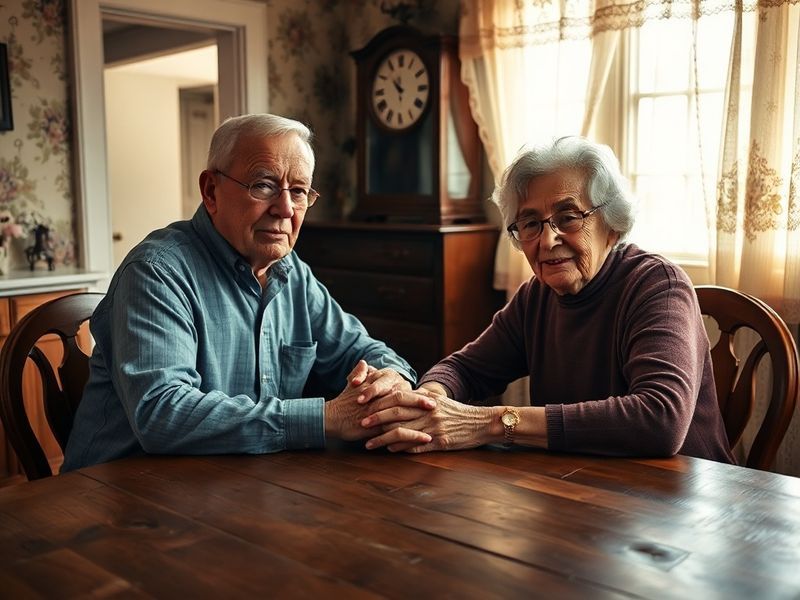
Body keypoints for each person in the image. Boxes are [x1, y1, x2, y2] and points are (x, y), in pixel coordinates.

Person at [63, 113, 434, 470]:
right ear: (211, 191)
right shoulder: (156, 273)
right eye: (264, 185)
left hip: (240, 485)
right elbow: (163, 413)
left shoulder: (291, 272)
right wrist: (325, 418)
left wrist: (391, 382)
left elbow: (361, 350)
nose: (286, 209)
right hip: (120, 494)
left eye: (300, 191)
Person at [361, 136, 735, 463]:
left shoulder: (657, 287)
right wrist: (429, 403)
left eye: (568, 217)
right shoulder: (535, 298)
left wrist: (491, 424)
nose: (547, 240)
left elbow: (660, 420)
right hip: (586, 492)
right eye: (530, 223)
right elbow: (465, 368)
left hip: (684, 502)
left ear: (612, 224)